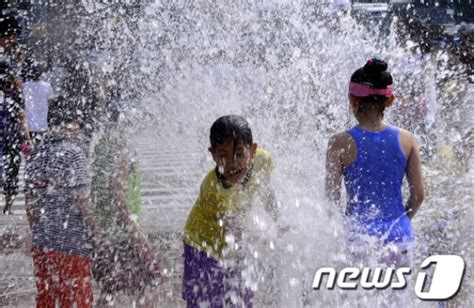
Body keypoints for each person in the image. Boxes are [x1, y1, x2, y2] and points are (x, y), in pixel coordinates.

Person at [325, 59, 425, 267]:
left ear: (352, 99)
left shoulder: (339, 143)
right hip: (400, 238)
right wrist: (401, 221)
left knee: (356, 299)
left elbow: (331, 199)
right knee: (396, 300)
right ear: (390, 101)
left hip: (358, 238)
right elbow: (418, 197)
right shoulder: (407, 140)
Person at [182, 115, 277, 307]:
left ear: (253, 150)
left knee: (242, 299)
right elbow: (233, 224)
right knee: (206, 301)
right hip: (202, 246)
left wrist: (278, 222)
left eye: (239, 154)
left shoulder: (262, 161)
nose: (233, 163)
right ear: (213, 154)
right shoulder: (212, 187)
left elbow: (267, 193)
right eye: (223, 155)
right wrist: (262, 236)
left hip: (232, 246)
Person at [24, 98, 98, 308]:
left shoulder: (35, 155)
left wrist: (42, 234)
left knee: (47, 299)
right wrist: (96, 233)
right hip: (71, 245)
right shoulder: (73, 154)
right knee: (76, 300)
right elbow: (82, 200)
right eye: (79, 124)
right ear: (70, 123)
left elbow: (31, 207)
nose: (81, 130)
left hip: (43, 246)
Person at [91, 103, 160, 307]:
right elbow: (117, 190)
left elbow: (97, 187)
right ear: (123, 119)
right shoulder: (123, 146)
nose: (138, 122)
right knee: (154, 282)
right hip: (123, 234)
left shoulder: (102, 144)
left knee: (110, 289)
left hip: (106, 231)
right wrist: (135, 232)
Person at [1, 60, 31, 214]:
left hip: (3, 138)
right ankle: (8, 205)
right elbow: (22, 116)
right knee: (12, 171)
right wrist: (27, 138)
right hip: (11, 138)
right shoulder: (16, 93)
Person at [23, 62, 53, 147]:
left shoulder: (25, 86)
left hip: (29, 126)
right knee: (42, 151)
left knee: (29, 152)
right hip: (42, 125)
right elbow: (50, 102)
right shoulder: (47, 86)